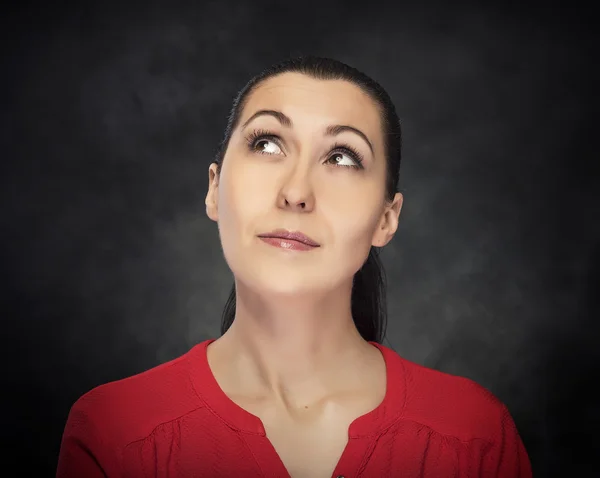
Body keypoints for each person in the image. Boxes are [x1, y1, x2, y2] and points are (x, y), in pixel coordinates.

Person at [56, 55, 532, 478]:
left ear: (386, 219)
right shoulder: (113, 431)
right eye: (266, 144)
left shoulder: (475, 436)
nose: (296, 192)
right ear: (213, 188)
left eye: (342, 156)